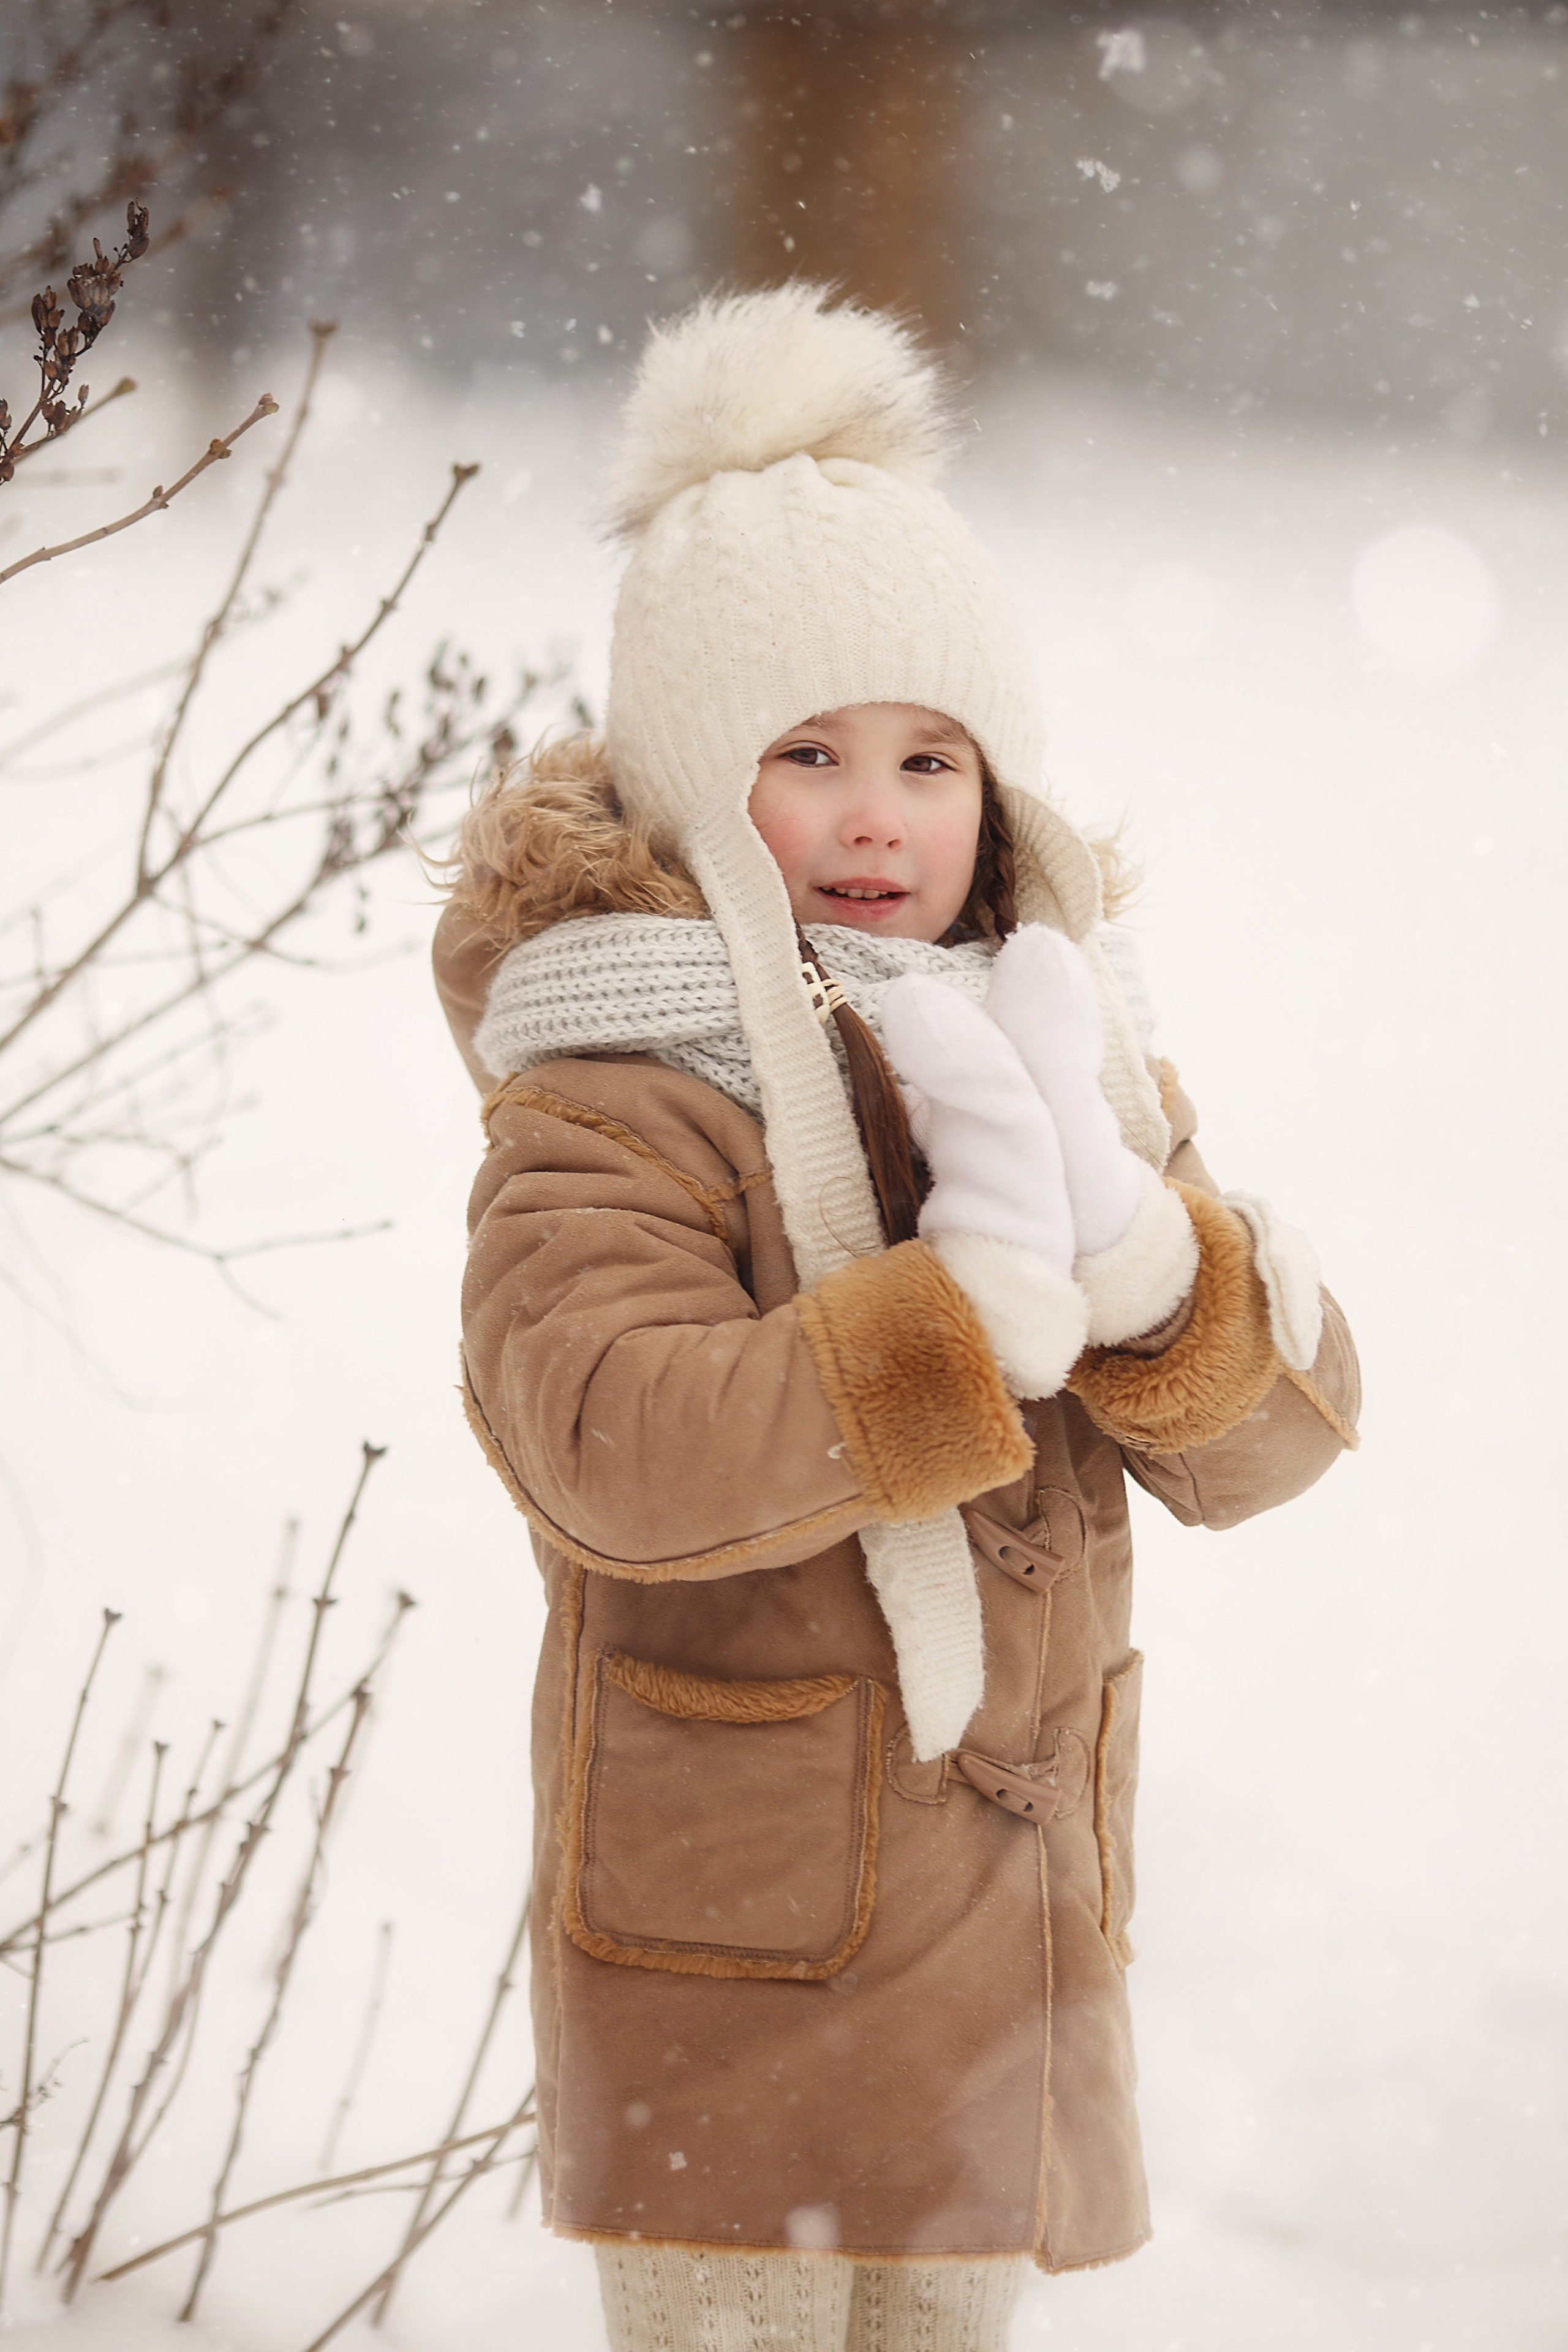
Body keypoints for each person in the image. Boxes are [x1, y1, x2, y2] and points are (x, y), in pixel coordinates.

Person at [431, 285, 1360, 2352]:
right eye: (809, 756)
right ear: (692, 786)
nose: (879, 815)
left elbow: (1282, 1437)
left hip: (998, 1941)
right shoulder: (612, 1093)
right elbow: (611, 1435)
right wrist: (945, 1330)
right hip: (739, 1932)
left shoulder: (1059, 1054)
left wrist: (1149, 1274)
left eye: (931, 759)